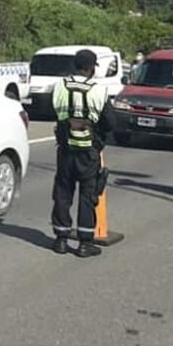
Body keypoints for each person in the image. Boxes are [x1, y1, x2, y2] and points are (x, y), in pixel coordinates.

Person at [50, 49, 115, 258]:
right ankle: (85, 243)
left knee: (62, 193)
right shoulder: (99, 90)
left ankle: (61, 239)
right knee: (88, 195)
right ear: (91, 68)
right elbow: (110, 122)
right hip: (88, 151)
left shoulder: (60, 86)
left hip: (65, 149)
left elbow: (54, 112)